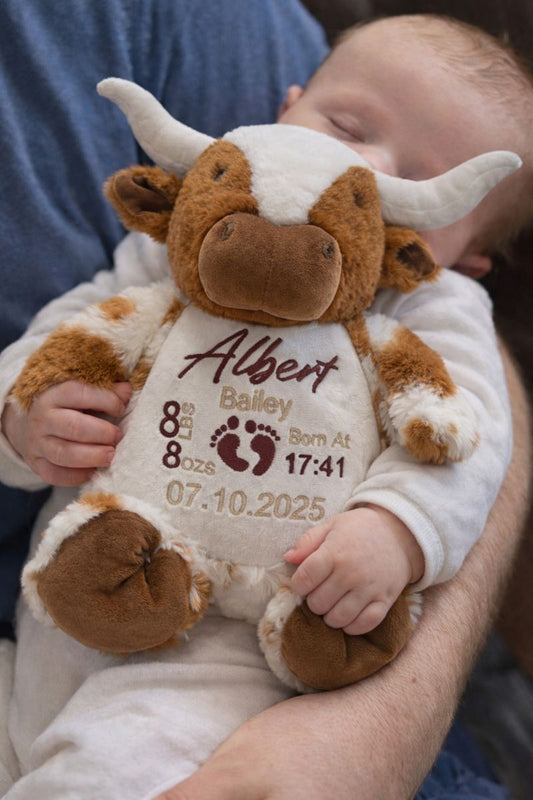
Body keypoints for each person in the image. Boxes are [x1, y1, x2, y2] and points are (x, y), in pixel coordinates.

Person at [0, 10, 530, 800]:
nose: (360, 168)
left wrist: (398, 529)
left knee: (103, 773)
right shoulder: (178, 239)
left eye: (419, 182)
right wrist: (22, 421)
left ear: (467, 258)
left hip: (233, 643)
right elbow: (75, 328)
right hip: (65, 602)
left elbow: (466, 443)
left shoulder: (431, 309)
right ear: (285, 110)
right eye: (343, 125)